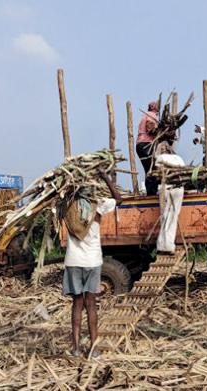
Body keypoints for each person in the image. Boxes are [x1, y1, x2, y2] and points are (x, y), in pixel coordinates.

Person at [63, 169, 122, 358]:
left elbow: (58, 196)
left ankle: (76, 348)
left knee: (77, 304)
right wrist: (106, 177)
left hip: (73, 261)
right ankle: (94, 348)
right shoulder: (98, 205)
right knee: (91, 304)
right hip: (93, 261)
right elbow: (119, 199)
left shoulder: (68, 206)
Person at [136, 101, 160, 195]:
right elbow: (150, 129)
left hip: (140, 145)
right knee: (152, 168)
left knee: (148, 169)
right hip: (146, 144)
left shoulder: (145, 116)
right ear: (155, 108)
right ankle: (152, 192)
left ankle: (151, 191)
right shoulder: (152, 116)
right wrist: (159, 130)